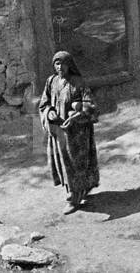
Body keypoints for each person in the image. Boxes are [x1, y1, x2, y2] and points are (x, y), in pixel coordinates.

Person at [38, 51, 99, 214]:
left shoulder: (78, 82)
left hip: (77, 133)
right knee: (64, 163)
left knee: (76, 163)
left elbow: (90, 105)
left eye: (63, 63)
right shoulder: (51, 81)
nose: (60, 67)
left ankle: (74, 197)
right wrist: (49, 112)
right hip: (60, 131)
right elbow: (44, 103)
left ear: (69, 65)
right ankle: (75, 192)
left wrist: (76, 116)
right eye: (57, 64)